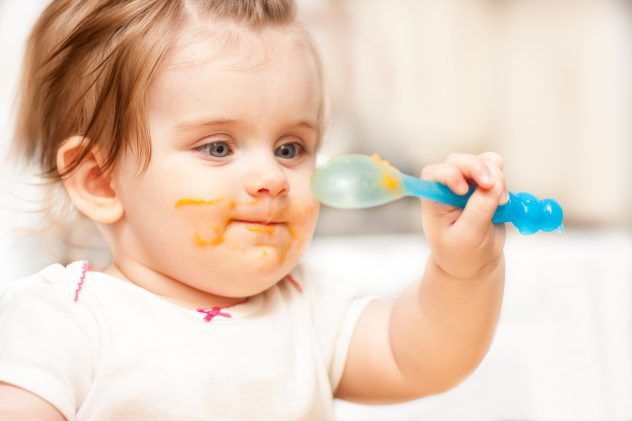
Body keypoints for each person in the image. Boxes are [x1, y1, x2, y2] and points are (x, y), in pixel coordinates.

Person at [0, 0, 508, 419]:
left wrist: (464, 267)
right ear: (101, 181)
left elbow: (419, 358)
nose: (272, 179)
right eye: (218, 147)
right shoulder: (64, 326)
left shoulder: (306, 309)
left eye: (290, 149)